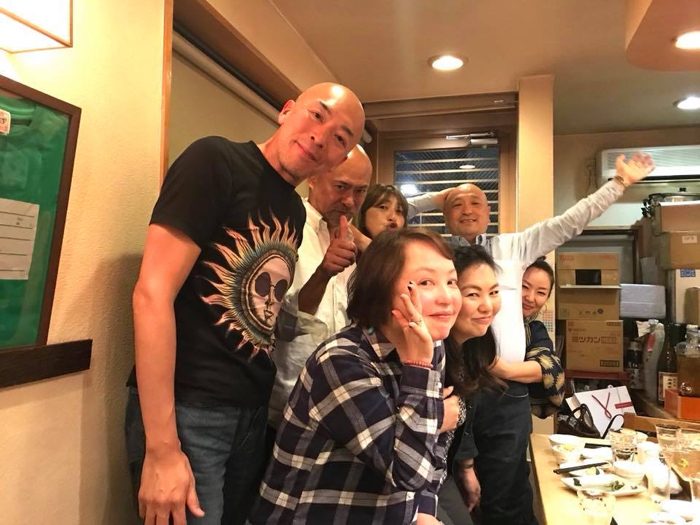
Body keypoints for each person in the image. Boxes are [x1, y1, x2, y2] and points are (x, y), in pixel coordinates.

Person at [125, 82, 366, 525]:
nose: (321, 137)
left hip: (253, 412)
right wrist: (161, 448)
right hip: (190, 408)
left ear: (338, 158)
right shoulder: (215, 161)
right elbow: (151, 294)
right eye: (317, 115)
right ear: (286, 110)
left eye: (339, 138)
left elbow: (267, 317)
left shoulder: (294, 211)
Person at [441, 153, 655, 525]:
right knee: (455, 491)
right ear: (445, 214)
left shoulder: (513, 247)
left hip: (504, 395)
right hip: (453, 383)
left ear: (489, 211)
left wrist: (618, 184)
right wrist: (435, 197)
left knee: (508, 492)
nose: (467, 209)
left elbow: (568, 223)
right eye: (456, 204)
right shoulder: (436, 254)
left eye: (475, 201)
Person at [249, 229, 462, 524]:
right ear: (380, 289)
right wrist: (423, 381)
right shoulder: (342, 361)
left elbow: (432, 447)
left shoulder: (428, 345)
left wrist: (424, 509)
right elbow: (408, 471)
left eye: (452, 282)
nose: (447, 298)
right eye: (426, 282)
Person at [269, 145, 372, 429]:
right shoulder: (286, 227)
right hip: (290, 403)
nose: (350, 201)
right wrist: (324, 273)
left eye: (360, 191)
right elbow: (281, 326)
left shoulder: (353, 238)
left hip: (342, 402)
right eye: (341, 187)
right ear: (313, 178)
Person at [435, 246, 504, 525]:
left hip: (443, 472)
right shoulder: (427, 354)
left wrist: (465, 465)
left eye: (494, 292)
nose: (487, 306)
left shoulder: (473, 348)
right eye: (473, 294)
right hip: (409, 479)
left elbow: (464, 418)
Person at [490, 257, 564, 419]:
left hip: (511, 417)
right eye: (524, 286)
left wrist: (502, 369)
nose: (530, 298)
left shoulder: (534, 330)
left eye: (541, 292)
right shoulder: (484, 321)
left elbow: (548, 368)